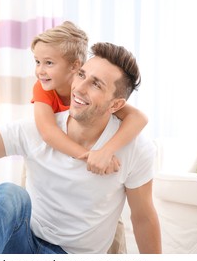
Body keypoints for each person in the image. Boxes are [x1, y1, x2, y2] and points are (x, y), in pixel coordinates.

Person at [0, 27, 161, 253]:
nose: (79, 88)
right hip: (24, 244)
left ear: (116, 104)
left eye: (96, 84)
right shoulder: (37, 127)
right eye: (82, 75)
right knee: (9, 194)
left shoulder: (135, 148)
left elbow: (143, 218)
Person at [31, 21, 148, 175]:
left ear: (74, 66)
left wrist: (106, 151)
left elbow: (139, 117)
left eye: (49, 63)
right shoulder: (42, 87)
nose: (40, 71)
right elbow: (48, 132)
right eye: (37, 62)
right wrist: (90, 156)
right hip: (46, 160)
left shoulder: (92, 93)